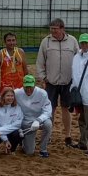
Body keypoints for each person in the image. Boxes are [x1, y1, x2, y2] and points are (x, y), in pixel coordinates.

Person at [36, 18, 79, 147]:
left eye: (55, 29)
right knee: (50, 110)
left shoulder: (72, 41)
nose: (53, 31)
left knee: (66, 108)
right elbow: (40, 61)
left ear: (62, 28)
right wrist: (43, 77)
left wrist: (76, 79)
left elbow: (78, 59)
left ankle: (68, 136)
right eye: (51, 29)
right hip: (51, 82)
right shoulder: (46, 41)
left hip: (68, 81)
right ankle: (47, 136)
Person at [15, 75, 53, 158]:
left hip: (39, 120)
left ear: (34, 85)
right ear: (23, 85)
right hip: (26, 123)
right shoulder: (17, 93)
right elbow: (4, 98)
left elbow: (47, 111)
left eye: (31, 87)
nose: (28, 89)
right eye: (26, 87)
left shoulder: (42, 93)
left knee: (48, 124)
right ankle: (23, 142)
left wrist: (38, 120)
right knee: (29, 152)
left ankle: (43, 149)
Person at [0, 87, 23, 157]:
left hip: (5, 131)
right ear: (3, 97)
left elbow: (17, 124)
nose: (10, 98)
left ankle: (11, 150)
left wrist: (1, 131)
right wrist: (5, 139)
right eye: (8, 96)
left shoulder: (17, 107)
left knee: (17, 134)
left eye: (12, 96)